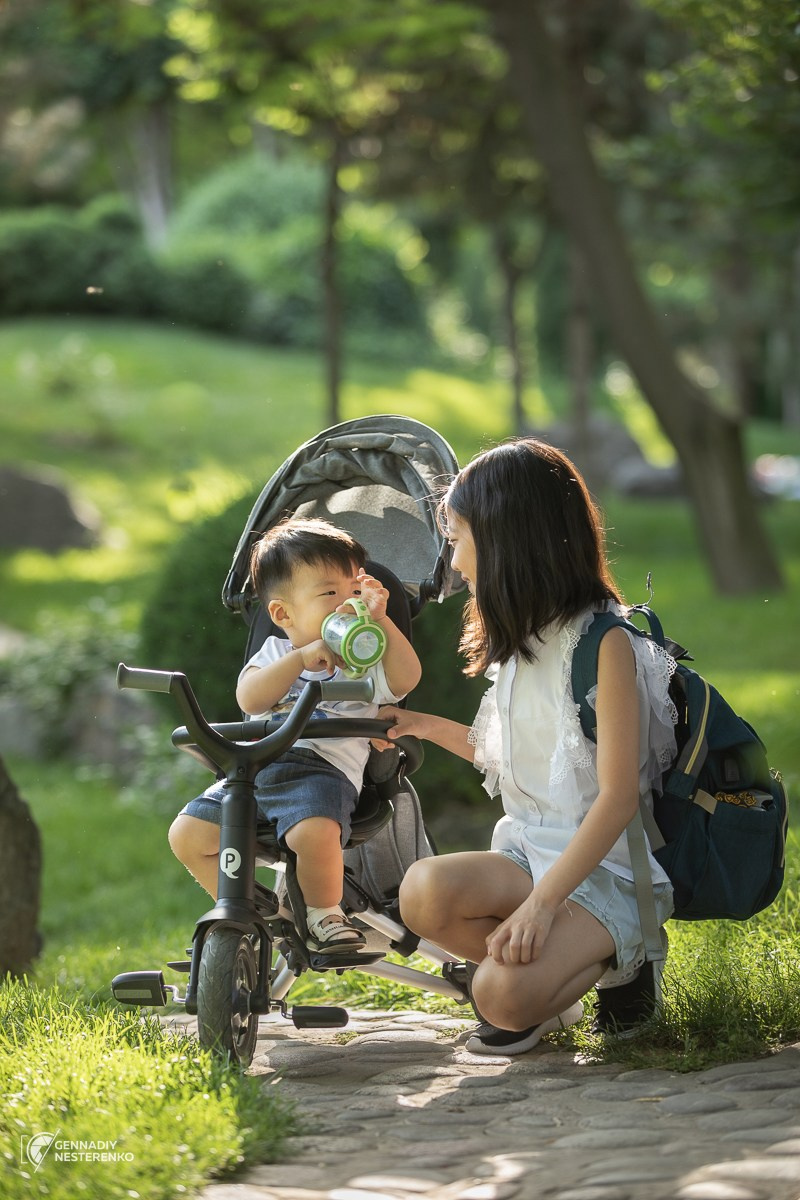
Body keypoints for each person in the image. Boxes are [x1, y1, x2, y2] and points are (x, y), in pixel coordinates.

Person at [381, 438, 677, 1054]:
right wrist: (427, 727)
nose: (453, 561)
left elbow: (618, 799)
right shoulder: (522, 640)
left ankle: (623, 968)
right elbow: (516, 760)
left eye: (459, 539)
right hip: (529, 857)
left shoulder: (605, 643)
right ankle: (537, 976)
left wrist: (541, 908)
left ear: (509, 539)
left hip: (605, 876)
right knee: (420, 891)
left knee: (499, 998)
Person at [169, 516, 422, 954]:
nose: (346, 603)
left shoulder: (366, 657)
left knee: (314, 833)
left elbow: (407, 679)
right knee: (186, 835)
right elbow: (250, 698)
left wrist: (383, 623)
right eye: (329, 593)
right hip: (255, 768)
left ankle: (324, 912)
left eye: (353, 591)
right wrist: (300, 658)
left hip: (321, 773)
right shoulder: (276, 653)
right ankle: (254, 907)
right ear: (283, 614)